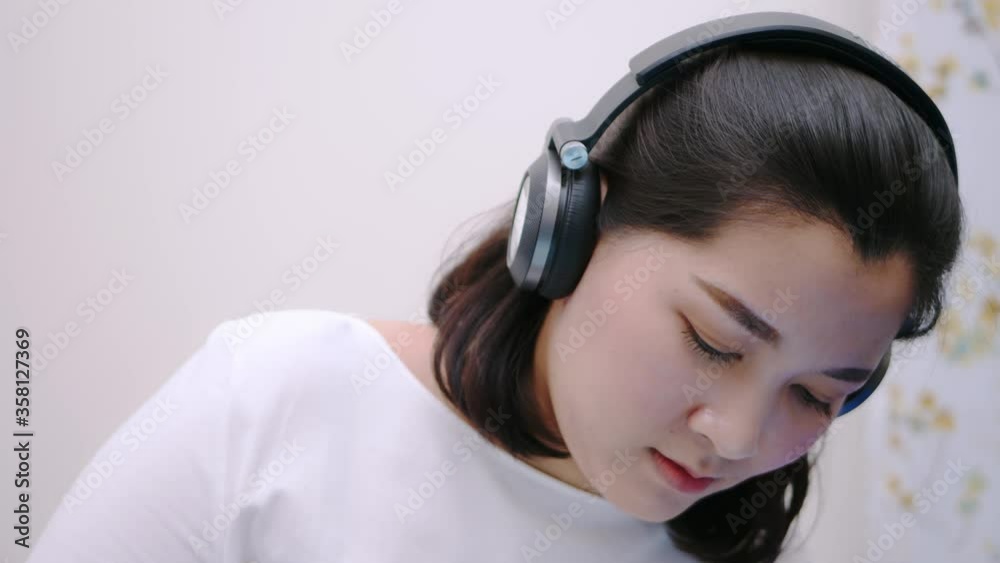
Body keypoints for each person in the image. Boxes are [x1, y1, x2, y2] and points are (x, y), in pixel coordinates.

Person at [27, 15, 964, 563]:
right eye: (715, 342)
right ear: (573, 227)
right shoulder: (274, 401)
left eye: (817, 394)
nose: (739, 436)